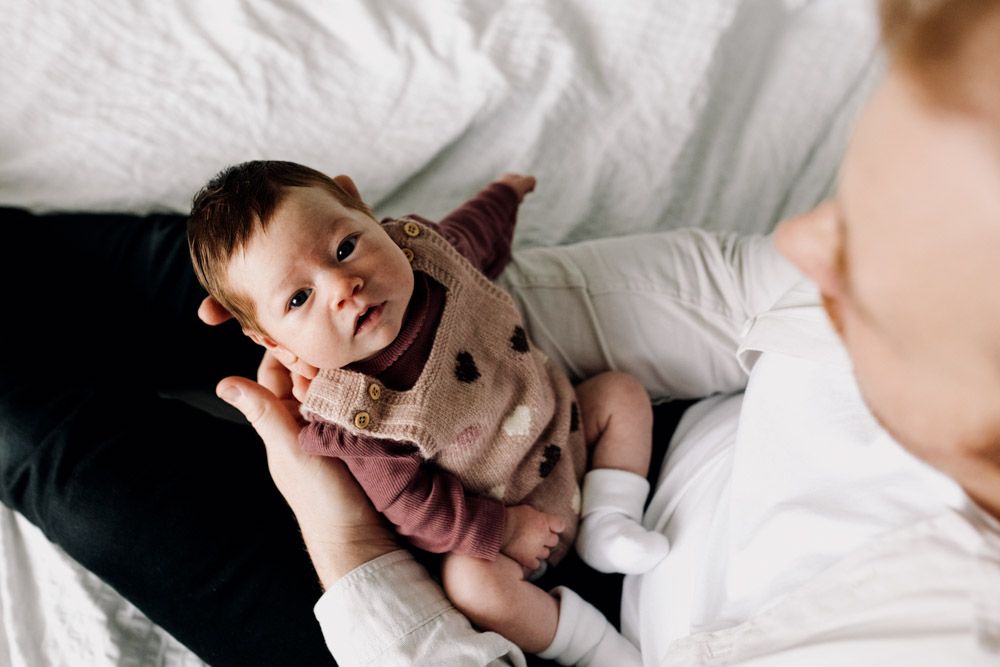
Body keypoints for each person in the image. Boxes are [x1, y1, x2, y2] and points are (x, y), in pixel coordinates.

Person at [205, 0, 1000, 664]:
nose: (797, 240)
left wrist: (337, 526)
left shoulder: (927, 624)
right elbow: (714, 287)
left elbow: (471, 254)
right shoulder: (352, 391)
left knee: (83, 470)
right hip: (579, 472)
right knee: (201, 264)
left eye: (877, 237)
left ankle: (592, 631)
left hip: (524, 547)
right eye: (302, 300)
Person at [186, 162, 667, 663]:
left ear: (361, 207)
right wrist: (504, 530)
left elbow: (480, 230)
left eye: (345, 247)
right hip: (504, 533)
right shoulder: (352, 419)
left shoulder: (434, 257)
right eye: (299, 298)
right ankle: (589, 645)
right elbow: (415, 506)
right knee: (473, 587)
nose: (342, 286)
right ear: (272, 342)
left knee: (619, 394)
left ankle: (612, 520)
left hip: (569, 434)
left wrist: (505, 192)